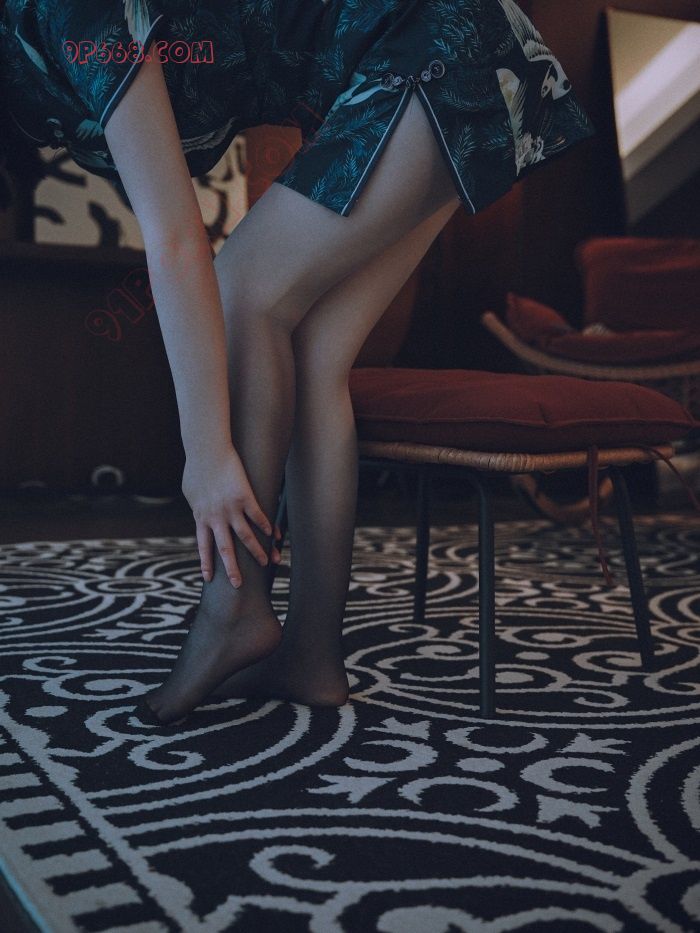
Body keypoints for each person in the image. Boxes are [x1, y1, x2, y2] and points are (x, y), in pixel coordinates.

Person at [0, 1, 596, 727]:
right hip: (457, 55)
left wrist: (206, 456)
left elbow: (178, 240)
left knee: (241, 293)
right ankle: (312, 657)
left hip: (438, 48)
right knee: (312, 354)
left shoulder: (64, 10)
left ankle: (234, 607)